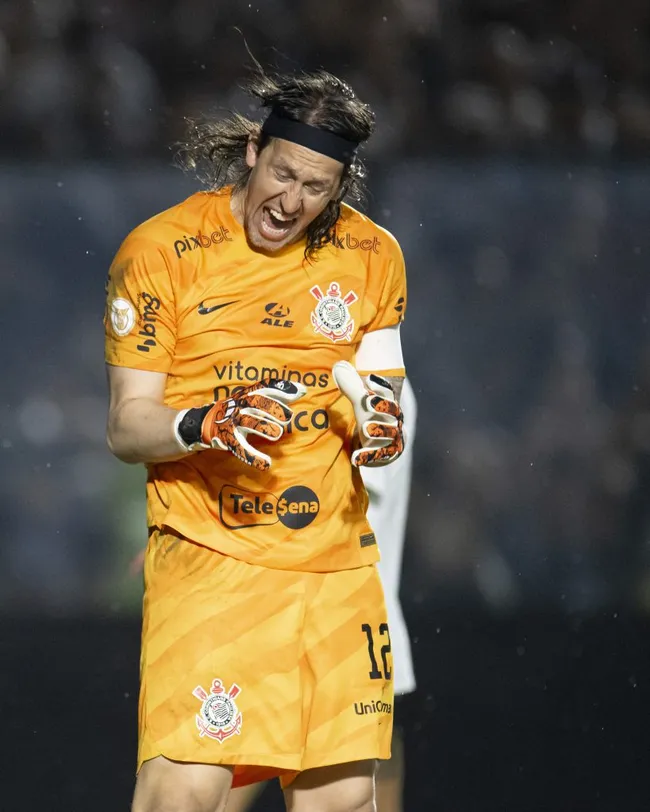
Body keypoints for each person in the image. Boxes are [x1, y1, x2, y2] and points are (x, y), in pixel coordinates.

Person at [104, 67, 408, 812]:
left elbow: (381, 385)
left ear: (339, 187)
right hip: (214, 561)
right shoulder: (161, 252)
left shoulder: (372, 257)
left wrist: (382, 424)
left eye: (316, 187)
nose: (292, 201)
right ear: (252, 152)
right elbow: (126, 424)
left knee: (341, 798)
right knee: (184, 789)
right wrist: (204, 422)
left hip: (334, 569)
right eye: (283, 174)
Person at [225, 379, 418, 812]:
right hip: (319, 632)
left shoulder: (368, 380)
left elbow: (328, 501)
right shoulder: (312, 364)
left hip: (334, 631)